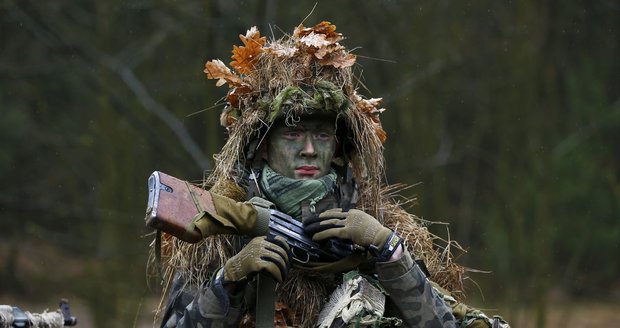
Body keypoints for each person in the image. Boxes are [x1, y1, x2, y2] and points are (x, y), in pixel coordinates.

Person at [153, 22, 509, 328]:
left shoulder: (373, 233)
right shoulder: (219, 234)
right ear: (262, 147)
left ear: (337, 149)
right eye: (292, 133)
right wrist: (228, 281)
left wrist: (388, 250)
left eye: (322, 135)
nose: (309, 149)